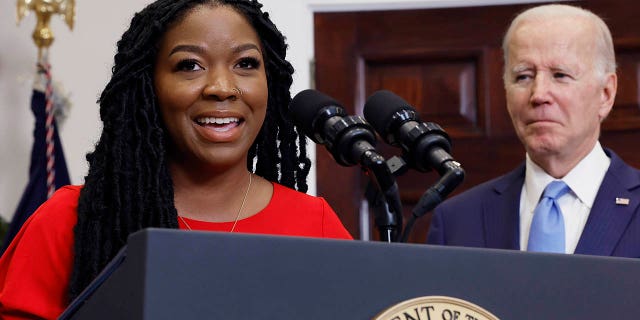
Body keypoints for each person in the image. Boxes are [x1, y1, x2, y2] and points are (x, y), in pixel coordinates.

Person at [0, 0, 352, 318]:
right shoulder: (70, 220)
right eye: (189, 65)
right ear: (148, 86)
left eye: (245, 63)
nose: (221, 87)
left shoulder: (315, 225)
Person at [427, 4, 640, 257]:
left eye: (560, 75)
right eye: (523, 77)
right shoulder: (457, 221)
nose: (538, 95)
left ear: (606, 94)